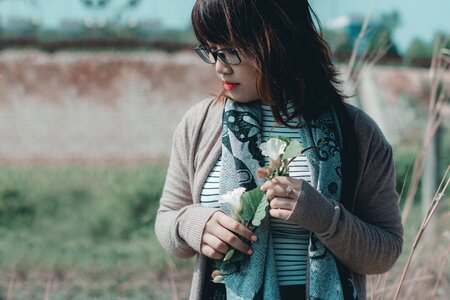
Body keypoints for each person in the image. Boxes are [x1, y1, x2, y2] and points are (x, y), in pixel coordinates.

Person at [155, 0, 403, 299]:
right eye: (211, 51)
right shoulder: (200, 124)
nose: (220, 66)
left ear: (275, 40)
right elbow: (167, 218)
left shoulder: (357, 132)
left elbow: (385, 252)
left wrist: (324, 217)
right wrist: (195, 224)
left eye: (230, 51)